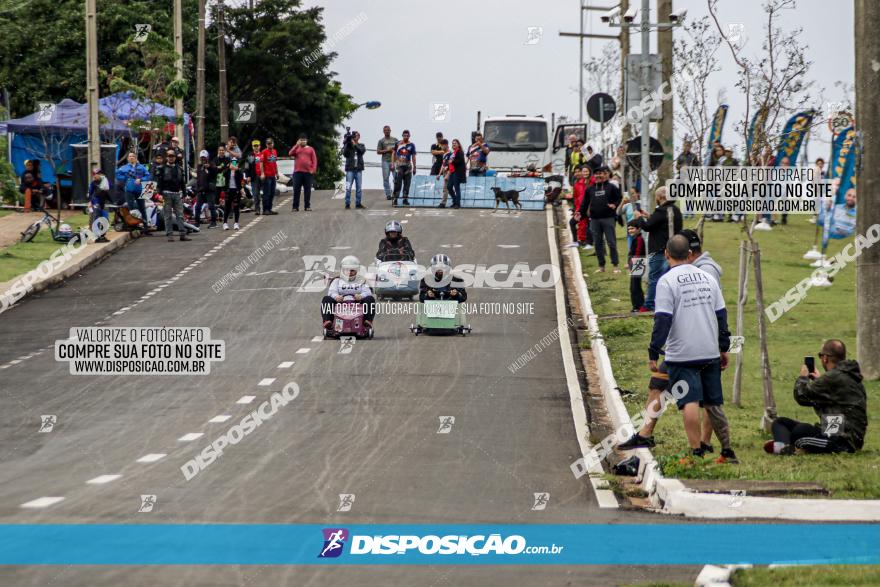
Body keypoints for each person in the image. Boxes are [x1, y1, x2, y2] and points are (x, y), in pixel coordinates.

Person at [649, 235, 732, 461]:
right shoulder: (708, 278)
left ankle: (695, 450)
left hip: (683, 352)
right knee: (713, 402)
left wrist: (654, 350)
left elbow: (662, 320)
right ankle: (726, 449)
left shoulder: (666, 281)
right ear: (689, 254)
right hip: (710, 350)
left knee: (689, 401)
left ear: (666, 254)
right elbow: (721, 316)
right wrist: (723, 346)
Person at [766, 339, 867, 455]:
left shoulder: (833, 377)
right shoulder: (851, 377)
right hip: (841, 432)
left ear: (825, 358)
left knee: (800, 432)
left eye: (820, 356)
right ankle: (784, 448)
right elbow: (831, 401)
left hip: (843, 440)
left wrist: (803, 378)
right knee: (781, 422)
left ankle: (786, 446)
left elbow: (801, 397)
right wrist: (819, 381)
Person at [632, 186, 683, 310]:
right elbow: (662, 224)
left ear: (660, 197)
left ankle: (649, 304)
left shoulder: (661, 211)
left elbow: (647, 227)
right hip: (674, 248)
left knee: (655, 279)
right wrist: (649, 216)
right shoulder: (675, 210)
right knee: (670, 279)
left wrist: (639, 217)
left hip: (659, 250)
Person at [578, 165, 622, 273]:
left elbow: (619, 198)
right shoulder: (590, 189)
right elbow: (584, 204)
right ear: (594, 175)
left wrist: (614, 205)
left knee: (611, 242)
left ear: (605, 175)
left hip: (608, 219)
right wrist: (580, 214)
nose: (598, 176)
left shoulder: (611, 187)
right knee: (597, 243)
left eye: (600, 173)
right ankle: (601, 266)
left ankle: (615, 266)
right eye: (596, 174)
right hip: (594, 220)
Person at [321, 255, 375, 330]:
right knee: (326, 299)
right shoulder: (337, 280)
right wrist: (336, 297)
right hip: (340, 302)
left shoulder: (362, 281)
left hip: (357, 302)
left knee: (370, 299)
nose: (349, 273)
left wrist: (361, 296)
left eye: (352, 270)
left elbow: (368, 292)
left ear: (357, 270)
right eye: (347, 270)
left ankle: (367, 321)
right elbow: (331, 292)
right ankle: (328, 321)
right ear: (342, 270)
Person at [155, 149, 190, 241]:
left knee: (180, 215)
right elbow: (159, 182)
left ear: (175, 157)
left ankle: (182, 234)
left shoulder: (179, 169)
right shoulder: (161, 168)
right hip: (166, 194)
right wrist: (159, 194)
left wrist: (185, 194)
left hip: (177, 194)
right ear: (166, 157)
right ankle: (170, 235)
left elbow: (182, 183)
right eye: (169, 156)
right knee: (168, 215)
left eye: (172, 156)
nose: (171, 158)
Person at [116, 152, 151, 229]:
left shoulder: (142, 167)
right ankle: (132, 225)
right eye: (130, 156)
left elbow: (148, 176)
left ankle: (145, 227)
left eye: (133, 156)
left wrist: (141, 179)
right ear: (128, 158)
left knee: (142, 208)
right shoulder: (124, 167)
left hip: (139, 190)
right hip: (129, 190)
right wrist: (126, 179)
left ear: (136, 158)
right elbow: (117, 174)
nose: (131, 157)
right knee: (130, 208)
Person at [289, 134, 317, 211]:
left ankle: (307, 206)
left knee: (307, 190)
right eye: (301, 140)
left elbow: (314, 160)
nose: (303, 141)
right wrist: (296, 145)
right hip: (297, 172)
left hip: (308, 173)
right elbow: (290, 153)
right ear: (299, 140)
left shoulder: (311, 149)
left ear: (306, 141)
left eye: (304, 140)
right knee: (296, 190)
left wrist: (313, 170)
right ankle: (295, 207)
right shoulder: (296, 148)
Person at [568, 166, 592, 249]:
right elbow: (575, 197)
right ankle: (576, 241)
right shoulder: (577, 184)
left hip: (589, 209)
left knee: (588, 225)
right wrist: (575, 209)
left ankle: (588, 243)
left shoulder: (592, 182)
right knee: (573, 222)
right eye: (576, 172)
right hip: (580, 209)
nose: (578, 173)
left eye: (586, 171)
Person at [194, 150, 218, 229]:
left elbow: (215, 172)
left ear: (207, 157)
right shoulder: (199, 166)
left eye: (204, 157)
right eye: (202, 158)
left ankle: (213, 222)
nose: (203, 159)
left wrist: (210, 167)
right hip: (201, 189)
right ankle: (197, 223)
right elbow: (198, 178)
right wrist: (197, 188)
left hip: (209, 189)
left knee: (211, 206)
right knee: (197, 207)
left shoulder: (212, 165)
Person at [392, 130, 416, 207]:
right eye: (404, 135)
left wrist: (414, 167)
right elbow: (393, 153)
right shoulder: (397, 143)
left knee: (407, 184)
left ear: (409, 136)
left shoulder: (411, 145)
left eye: (407, 135)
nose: (406, 137)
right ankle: (395, 198)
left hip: (408, 167)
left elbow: (414, 156)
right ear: (402, 135)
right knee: (398, 183)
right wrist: (392, 163)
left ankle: (405, 199)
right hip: (399, 166)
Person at [343, 130, 366, 209]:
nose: (354, 137)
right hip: (350, 169)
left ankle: (358, 203)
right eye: (353, 136)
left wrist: (355, 144)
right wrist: (347, 143)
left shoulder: (361, 145)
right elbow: (345, 154)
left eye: (356, 136)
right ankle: (347, 203)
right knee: (348, 187)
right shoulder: (348, 145)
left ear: (358, 137)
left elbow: (361, 151)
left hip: (358, 169)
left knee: (359, 188)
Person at [626, 222, 646, 312]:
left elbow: (637, 253)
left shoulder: (639, 239)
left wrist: (632, 264)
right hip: (636, 263)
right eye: (629, 229)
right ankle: (637, 305)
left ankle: (637, 306)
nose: (630, 230)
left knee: (635, 287)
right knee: (634, 286)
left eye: (632, 228)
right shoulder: (634, 238)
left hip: (638, 263)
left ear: (638, 229)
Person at [88, 169, 111, 242]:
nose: (95, 175)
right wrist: (90, 202)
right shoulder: (93, 183)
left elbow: (110, 188)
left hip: (104, 202)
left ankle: (103, 235)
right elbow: (90, 193)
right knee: (97, 219)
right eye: (94, 174)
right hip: (96, 203)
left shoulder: (106, 181)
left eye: (98, 173)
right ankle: (97, 236)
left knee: (105, 219)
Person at [222, 158, 244, 230]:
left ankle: (236, 223)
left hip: (236, 190)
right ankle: (225, 223)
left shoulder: (238, 171)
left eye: (235, 162)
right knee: (227, 207)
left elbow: (241, 177)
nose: (234, 164)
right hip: (229, 190)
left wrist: (236, 169)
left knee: (236, 207)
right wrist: (229, 168)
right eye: (232, 162)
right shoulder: (228, 171)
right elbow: (224, 174)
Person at [377, 126, 398, 201]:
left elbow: (399, 149)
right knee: (386, 178)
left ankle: (396, 193)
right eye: (385, 130)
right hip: (385, 161)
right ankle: (388, 194)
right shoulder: (381, 141)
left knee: (396, 177)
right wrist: (387, 150)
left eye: (388, 130)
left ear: (390, 131)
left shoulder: (395, 140)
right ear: (383, 131)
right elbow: (378, 151)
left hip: (394, 161)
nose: (387, 131)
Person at [444, 139, 466, 209]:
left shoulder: (460, 152)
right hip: (452, 172)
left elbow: (459, 161)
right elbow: (450, 162)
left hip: (457, 172)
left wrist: (452, 161)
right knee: (449, 186)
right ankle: (455, 200)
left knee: (457, 188)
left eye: (455, 143)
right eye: (453, 143)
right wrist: (447, 164)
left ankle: (458, 204)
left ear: (458, 144)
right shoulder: (453, 153)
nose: (453, 144)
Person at [259, 138, 279, 215]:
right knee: (266, 193)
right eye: (268, 144)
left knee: (272, 193)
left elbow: (275, 163)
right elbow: (261, 163)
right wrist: (262, 173)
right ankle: (265, 209)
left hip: (273, 175)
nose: (270, 145)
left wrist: (277, 173)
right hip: (267, 175)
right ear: (266, 144)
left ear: (273, 143)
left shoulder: (274, 151)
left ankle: (269, 208)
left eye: (271, 143)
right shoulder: (264, 152)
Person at [245, 139, 263, 214]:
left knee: (266, 193)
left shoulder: (263, 154)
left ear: (260, 146)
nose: (256, 147)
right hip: (254, 177)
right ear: (252, 147)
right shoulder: (249, 156)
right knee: (256, 194)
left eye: (257, 146)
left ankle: (266, 208)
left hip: (263, 176)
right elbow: (246, 167)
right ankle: (257, 209)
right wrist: (248, 176)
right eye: (254, 146)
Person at [436, 139, 451, 208]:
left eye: (442, 145)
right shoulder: (444, 154)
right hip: (445, 173)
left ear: (446, 145)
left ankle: (443, 203)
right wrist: (439, 174)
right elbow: (443, 164)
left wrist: (448, 174)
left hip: (449, 172)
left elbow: (451, 165)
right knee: (448, 188)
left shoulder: (450, 154)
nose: (441, 147)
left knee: (446, 188)